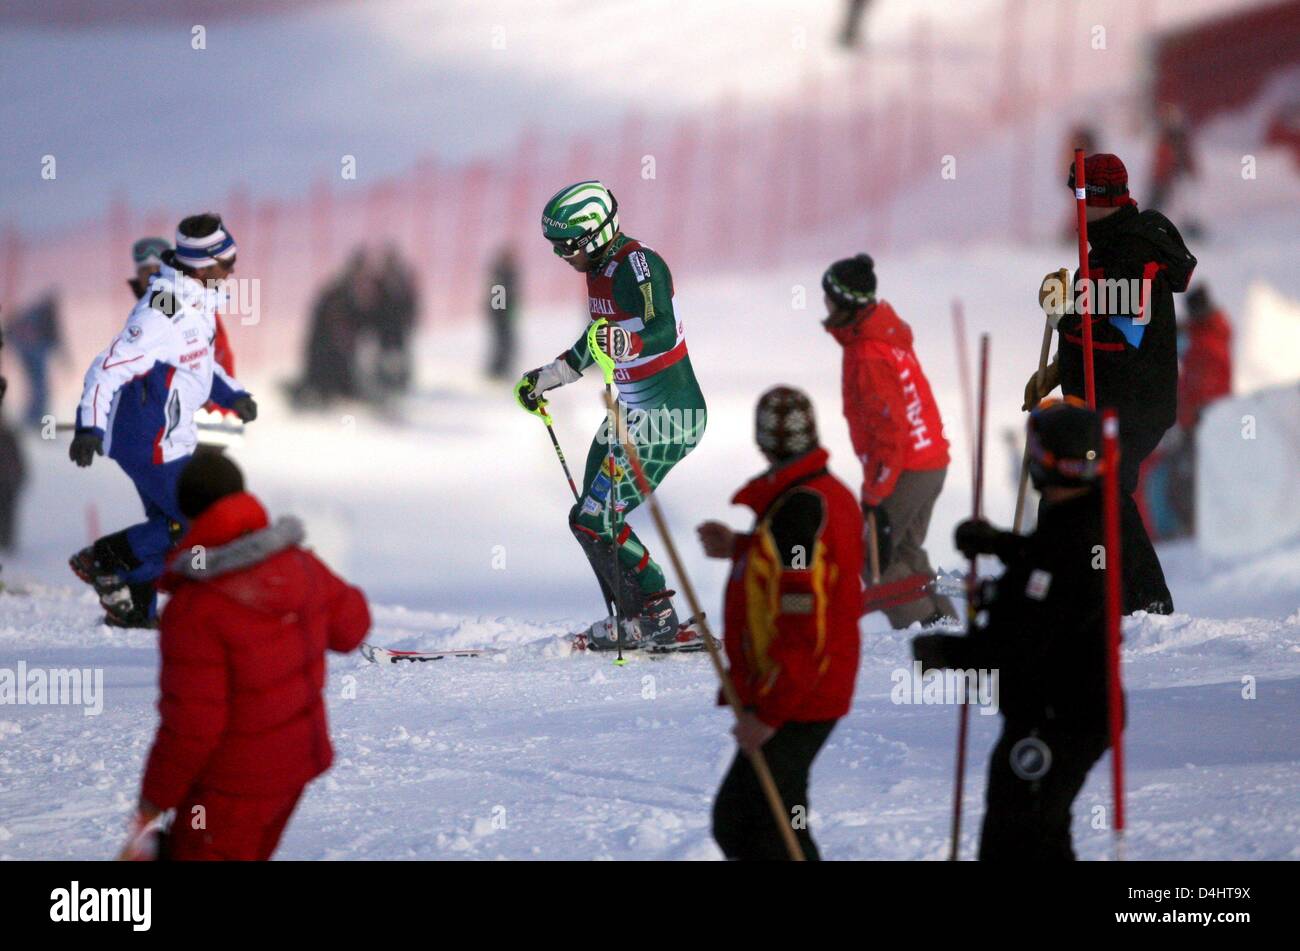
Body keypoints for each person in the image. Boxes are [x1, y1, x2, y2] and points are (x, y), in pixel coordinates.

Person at [121, 452, 370, 861]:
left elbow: (192, 726)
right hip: (294, 770)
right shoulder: (300, 564)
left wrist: (153, 801)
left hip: (230, 788)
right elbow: (352, 628)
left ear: (188, 514)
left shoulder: (194, 608)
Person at [912, 399, 1116, 861]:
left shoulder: (1076, 534)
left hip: (1060, 717)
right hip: (1053, 711)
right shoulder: (1082, 516)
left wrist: (948, 651)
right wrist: (998, 543)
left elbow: (1024, 640)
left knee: (1023, 832)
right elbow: (1043, 565)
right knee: (1030, 824)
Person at [514, 180, 707, 650]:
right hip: (631, 412)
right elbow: (598, 336)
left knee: (596, 518)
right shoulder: (597, 272)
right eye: (555, 247)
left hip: (668, 415)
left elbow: (660, 326)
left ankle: (657, 612)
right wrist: (549, 377)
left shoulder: (639, 265)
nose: (562, 255)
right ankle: (637, 614)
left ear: (596, 233)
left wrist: (631, 343)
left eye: (567, 245)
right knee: (586, 517)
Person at [1025, 153, 1196, 615]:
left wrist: (1064, 319)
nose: (1073, 212)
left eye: (1077, 199)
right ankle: (1075, 598)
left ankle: (1148, 604)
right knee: (1073, 494)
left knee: (1101, 492)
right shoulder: (1104, 250)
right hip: (1100, 403)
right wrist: (1058, 370)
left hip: (1133, 404)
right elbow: (1094, 324)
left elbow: (1123, 342)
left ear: (1095, 200)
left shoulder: (1134, 254)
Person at [68, 213, 258, 627]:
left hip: (169, 436)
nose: (233, 270)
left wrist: (233, 395)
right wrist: (89, 426)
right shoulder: (161, 310)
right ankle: (104, 560)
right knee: (199, 519)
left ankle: (136, 607)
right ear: (203, 264)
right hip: (147, 439)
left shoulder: (196, 302)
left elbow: (197, 363)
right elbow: (108, 366)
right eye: (228, 262)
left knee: (169, 523)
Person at [697, 386, 862, 860]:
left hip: (800, 691)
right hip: (809, 685)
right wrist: (743, 548)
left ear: (763, 444)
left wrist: (770, 713)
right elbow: (807, 569)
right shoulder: (820, 496)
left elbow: (801, 616)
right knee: (766, 818)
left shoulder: (799, 510)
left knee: (750, 821)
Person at [820, 253, 955, 628]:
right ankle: (950, 626)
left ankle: (926, 632)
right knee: (907, 551)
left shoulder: (867, 353)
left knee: (874, 555)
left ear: (844, 303)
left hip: (906, 466)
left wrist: (876, 493)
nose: (824, 305)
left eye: (828, 297)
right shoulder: (883, 335)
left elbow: (888, 428)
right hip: (930, 460)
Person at [6, 289, 63, 428]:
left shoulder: (39, 316)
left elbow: (56, 337)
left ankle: (34, 418)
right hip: (31, 353)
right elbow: (55, 337)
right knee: (40, 388)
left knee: (38, 387)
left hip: (30, 352)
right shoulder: (38, 316)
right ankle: (34, 419)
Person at [485, 245, 519, 381]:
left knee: (507, 343)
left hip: (505, 314)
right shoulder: (500, 272)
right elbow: (498, 295)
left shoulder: (509, 272)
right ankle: (497, 371)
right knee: (502, 342)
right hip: (500, 315)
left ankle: (501, 370)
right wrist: (500, 314)